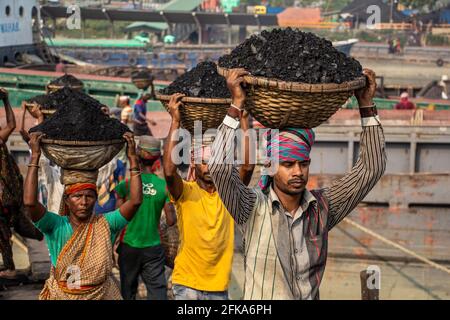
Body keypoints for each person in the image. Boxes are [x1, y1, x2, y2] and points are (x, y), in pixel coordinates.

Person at [207, 68, 386, 300]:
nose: (298, 172)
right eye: (288, 164)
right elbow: (219, 168)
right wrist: (236, 105)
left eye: (303, 163)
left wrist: (366, 105)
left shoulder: (322, 208)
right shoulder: (251, 208)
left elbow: (371, 169)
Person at [23, 132, 143, 300]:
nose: (84, 202)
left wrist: (132, 158)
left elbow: (136, 201)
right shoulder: (56, 225)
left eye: (89, 196)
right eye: (77, 196)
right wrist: (35, 156)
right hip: (63, 295)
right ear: (67, 199)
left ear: (95, 198)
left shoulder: (106, 223)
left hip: (101, 295)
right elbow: (30, 203)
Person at [163, 94, 255, 300]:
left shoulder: (229, 194)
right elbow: (169, 172)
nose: (209, 167)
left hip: (219, 286)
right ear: (194, 163)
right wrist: (175, 121)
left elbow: (248, 167)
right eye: (204, 161)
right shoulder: (184, 192)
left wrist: (244, 122)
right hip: (187, 284)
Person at [114, 135, 176, 300]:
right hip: (153, 248)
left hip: (129, 246)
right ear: (156, 158)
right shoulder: (163, 186)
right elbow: (171, 220)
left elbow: (117, 217)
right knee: (157, 292)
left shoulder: (125, 186)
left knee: (128, 291)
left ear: (138, 156)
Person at [0, 88, 43, 279]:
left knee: (3, 233)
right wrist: (6, 101)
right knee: (8, 230)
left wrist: (6, 101)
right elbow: (11, 124)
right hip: (10, 196)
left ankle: (10, 268)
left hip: (5, 198)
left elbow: (11, 125)